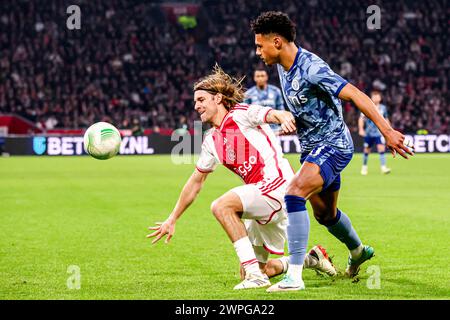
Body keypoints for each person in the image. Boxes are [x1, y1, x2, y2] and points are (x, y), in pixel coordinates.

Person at [251, 11, 414, 292]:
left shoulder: (312, 68)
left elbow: (356, 95)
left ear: (276, 42)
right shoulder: (281, 66)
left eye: (259, 45)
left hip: (334, 145)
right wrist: (294, 122)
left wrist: (386, 130)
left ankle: (294, 276)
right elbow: (307, 104)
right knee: (326, 215)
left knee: (293, 193)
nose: (257, 52)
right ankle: (359, 251)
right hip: (313, 149)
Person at [147, 65, 337, 290]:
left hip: (278, 186)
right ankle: (311, 259)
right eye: (195, 102)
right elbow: (195, 182)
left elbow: (272, 113)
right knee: (255, 269)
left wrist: (284, 116)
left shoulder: (241, 113)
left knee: (221, 206)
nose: (196, 106)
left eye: (201, 100)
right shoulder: (210, 140)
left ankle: (255, 278)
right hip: (259, 195)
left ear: (217, 98)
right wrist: (172, 218)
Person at [358, 90, 391, 175]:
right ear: (371, 98)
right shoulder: (367, 106)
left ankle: (383, 167)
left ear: (380, 98)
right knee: (366, 150)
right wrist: (361, 129)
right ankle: (364, 167)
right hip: (368, 133)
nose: (376, 98)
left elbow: (386, 119)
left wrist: (390, 130)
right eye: (374, 96)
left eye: (378, 96)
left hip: (379, 133)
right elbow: (361, 118)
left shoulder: (383, 108)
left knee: (381, 148)